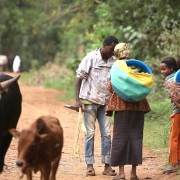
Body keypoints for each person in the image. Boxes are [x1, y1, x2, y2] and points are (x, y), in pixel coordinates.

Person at [75, 35, 119, 177]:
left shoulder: (114, 61)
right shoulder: (91, 58)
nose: (112, 52)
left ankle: (107, 165)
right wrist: (77, 100)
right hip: (89, 100)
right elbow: (79, 78)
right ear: (104, 45)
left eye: (114, 50)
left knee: (106, 134)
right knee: (90, 133)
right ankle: (89, 165)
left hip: (106, 103)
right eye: (111, 49)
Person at [106, 43, 151, 180]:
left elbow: (111, 87)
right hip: (138, 106)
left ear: (116, 53)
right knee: (136, 137)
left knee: (120, 138)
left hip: (122, 107)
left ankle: (121, 173)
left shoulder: (116, 68)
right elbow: (143, 83)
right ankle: (133, 173)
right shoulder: (135, 66)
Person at [160, 56, 180, 174]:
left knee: (174, 138)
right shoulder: (176, 77)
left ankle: (174, 164)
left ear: (171, 68)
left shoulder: (169, 80)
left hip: (177, 112)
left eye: (164, 69)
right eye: (161, 70)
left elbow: (175, 98)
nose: (162, 72)